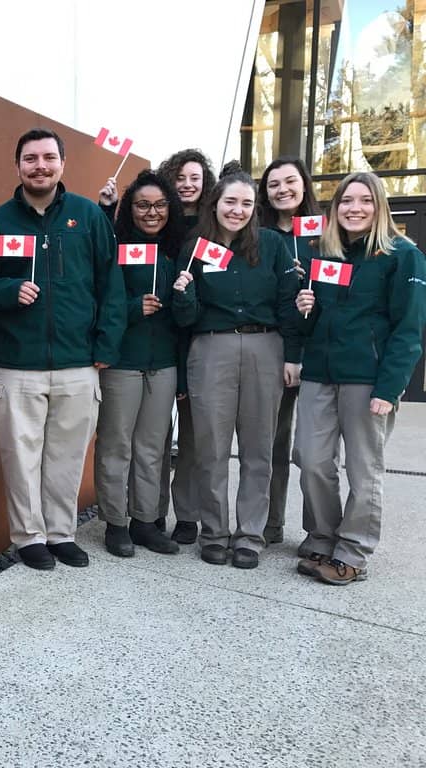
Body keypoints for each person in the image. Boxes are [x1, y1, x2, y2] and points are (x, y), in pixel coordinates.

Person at [0, 128, 127, 570]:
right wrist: (8, 290)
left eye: (48, 157)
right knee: (21, 457)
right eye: (30, 159)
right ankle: (29, 537)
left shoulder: (88, 218)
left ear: (62, 164)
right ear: (18, 166)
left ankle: (60, 533)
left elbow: (112, 285)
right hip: (17, 366)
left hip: (78, 363)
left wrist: (106, 345)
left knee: (67, 457)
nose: (40, 166)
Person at [293, 171, 426, 585]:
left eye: (365, 200)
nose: (355, 208)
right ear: (335, 209)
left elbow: (410, 328)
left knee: (364, 470)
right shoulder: (323, 252)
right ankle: (323, 536)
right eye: (346, 201)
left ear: (379, 206)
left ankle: (352, 552)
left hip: (367, 379)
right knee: (312, 460)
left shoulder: (402, 255)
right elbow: (315, 322)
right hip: (320, 373)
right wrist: (306, 306)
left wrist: (390, 387)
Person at [172, 169, 300, 569]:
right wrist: (183, 295)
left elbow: (287, 302)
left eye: (247, 203)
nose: (238, 210)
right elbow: (185, 318)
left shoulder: (274, 245)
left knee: (259, 447)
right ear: (215, 203)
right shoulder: (196, 246)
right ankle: (213, 532)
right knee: (209, 447)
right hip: (212, 347)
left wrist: (292, 355)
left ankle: (250, 535)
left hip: (266, 345)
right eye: (230, 201)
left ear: (255, 208)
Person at [95, 171, 185, 557]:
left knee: (152, 447)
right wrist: (134, 308)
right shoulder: (116, 247)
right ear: (130, 209)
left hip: (163, 364)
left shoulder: (177, 250)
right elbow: (101, 302)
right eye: (143, 205)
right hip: (123, 362)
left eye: (160, 205)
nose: (152, 212)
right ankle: (115, 523)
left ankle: (145, 521)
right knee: (116, 445)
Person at [153, 149, 217, 544]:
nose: (187, 184)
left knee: (193, 434)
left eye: (194, 177)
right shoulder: (158, 222)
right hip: (158, 334)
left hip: (198, 336)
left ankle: (188, 514)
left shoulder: (214, 229)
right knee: (156, 433)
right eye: (179, 178)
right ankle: (151, 510)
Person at [256, 157, 319, 546]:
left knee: (313, 452)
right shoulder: (259, 235)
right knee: (272, 444)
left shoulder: (325, 234)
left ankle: (320, 531)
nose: (282, 189)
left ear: (304, 184)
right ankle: (269, 523)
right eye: (273, 184)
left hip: (319, 355)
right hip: (274, 351)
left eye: (290, 181)